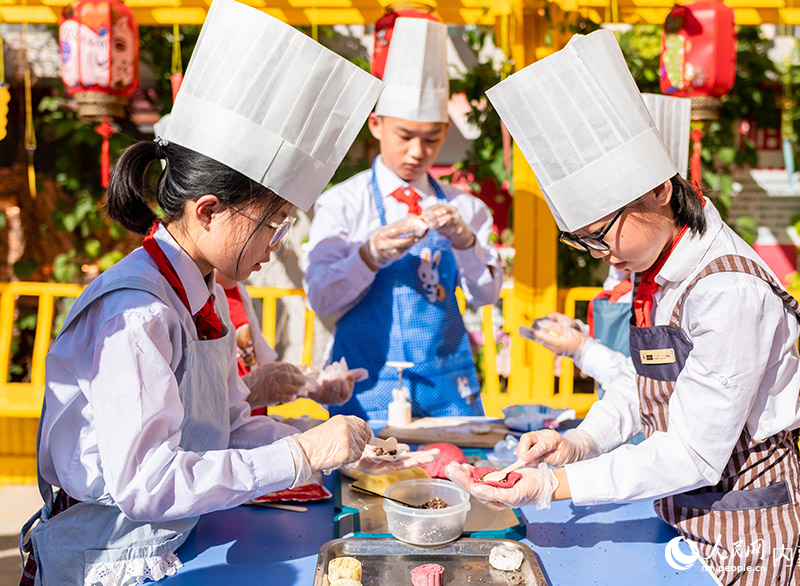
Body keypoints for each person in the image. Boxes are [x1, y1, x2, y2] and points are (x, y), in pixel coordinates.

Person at [18, 3, 437, 584]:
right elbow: (148, 484)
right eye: (273, 223)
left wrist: (326, 443)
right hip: (106, 564)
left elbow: (232, 429)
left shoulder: (203, 288)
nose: (276, 244)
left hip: (175, 545)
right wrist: (304, 453)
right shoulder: (135, 312)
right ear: (209, 210)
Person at [446, 30, 800, 586]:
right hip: (682, 516)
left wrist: (555, 485)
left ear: (659, 190)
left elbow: (693, 453)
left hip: (749, 533)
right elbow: (643, 386)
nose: (601, 254)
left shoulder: (727, 292)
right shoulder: (656, 266)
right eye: (583, 242)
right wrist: (577, 443)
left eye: (602, 234)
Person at [304, 16, 503, 420]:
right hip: (365, 383)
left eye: (431, 139)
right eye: (405, 136)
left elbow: (486, 295)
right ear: (376, 124)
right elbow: (320, 297)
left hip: (447, 388)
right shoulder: (343, 202)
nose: (417, 152)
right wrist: (368, 255)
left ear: (445, 132)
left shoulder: (465, 207)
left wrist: (465, 243)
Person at [214, 269, 361, 415]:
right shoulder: (198, 303)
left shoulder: (237, 291)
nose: (272, 250)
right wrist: (248, 391)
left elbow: (267, 374)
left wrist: (314, 383)